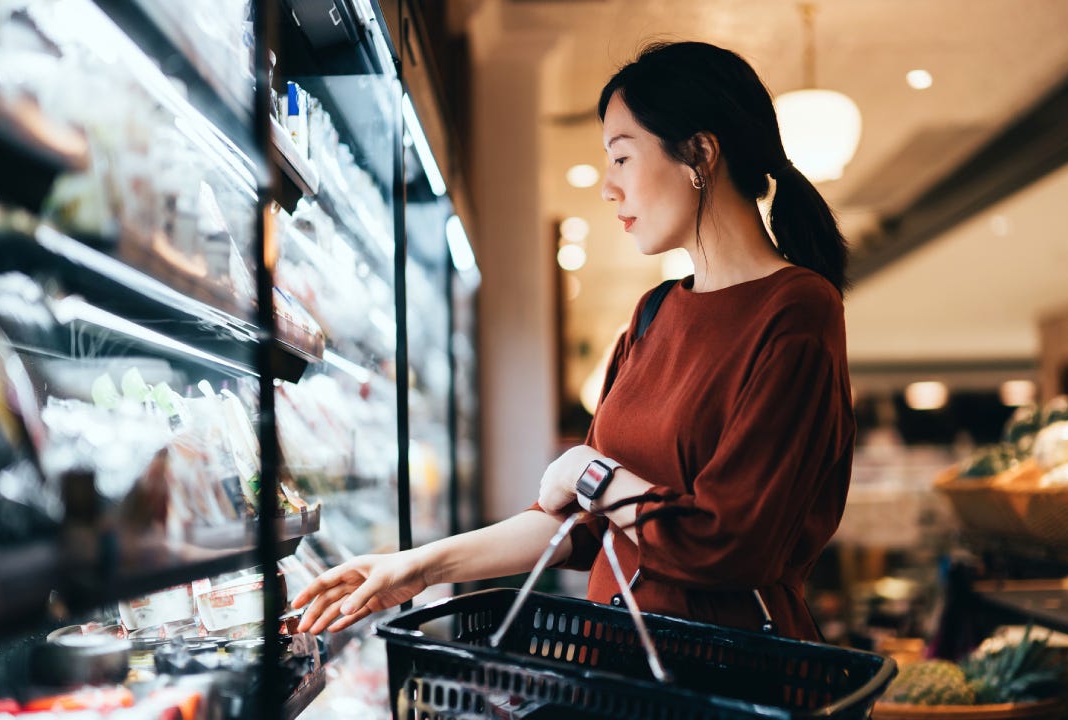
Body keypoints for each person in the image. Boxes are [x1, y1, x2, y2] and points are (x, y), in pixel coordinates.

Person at [294, 40, 853, 641]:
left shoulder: (796, 309)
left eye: (622, 158)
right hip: (616, 674)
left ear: (700, 153)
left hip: (724, 682)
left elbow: (730, 544)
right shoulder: (655, 313)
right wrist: (418, 566)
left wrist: (592, 472)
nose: (609, 188)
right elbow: (579, 523)